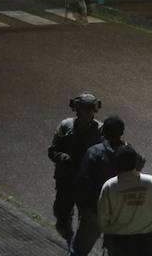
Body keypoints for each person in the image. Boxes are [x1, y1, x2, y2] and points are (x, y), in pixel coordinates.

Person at [72, 116, 145, 256]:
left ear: (103, 131)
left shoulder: (94, 152)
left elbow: (81, 183)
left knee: (79, 251)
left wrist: (84, 209)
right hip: (120, 214)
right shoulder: (130, 153)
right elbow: (134, 181)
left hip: (95, 211)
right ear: (122, 132)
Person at [47, 92, 103, 242]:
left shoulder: (100, 130)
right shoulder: (66, 126)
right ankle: (67, 235)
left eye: (91, 109)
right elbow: (52, 150)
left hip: (88, 181)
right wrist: (62, 157)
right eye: (84, 109)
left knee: (87, 217)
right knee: (62, 213)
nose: (88, 113)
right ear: (77, 110)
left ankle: (79, 244)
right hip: (67, 178)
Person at [98, 145, 152, 256]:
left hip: (120, 242)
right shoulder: (151, 182)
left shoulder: (110, 186)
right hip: (148, 240)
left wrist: (110, 231)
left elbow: (103, 217)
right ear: (136, 162)